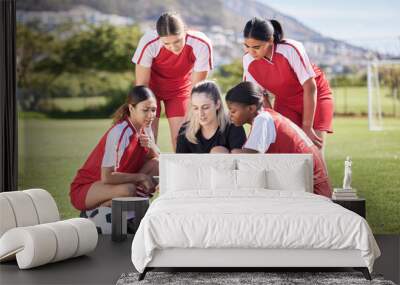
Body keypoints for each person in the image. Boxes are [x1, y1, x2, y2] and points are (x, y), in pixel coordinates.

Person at [241, 17, 334, 163]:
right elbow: (261, 98)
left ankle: (322, 186)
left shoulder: (290, 48)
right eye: (247, 46)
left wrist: (307, 127)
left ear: (271, 40)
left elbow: (310, 86)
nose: (251, 52)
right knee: (286, 151)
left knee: (314, 154)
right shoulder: (248, 60)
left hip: (315, 96)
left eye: (257, 47)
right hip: (285, 102)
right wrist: (270, 123)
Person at [225, 82, 332, 198]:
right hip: (308, 184)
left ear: (251, 108)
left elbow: (249, 159)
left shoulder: (263, 120)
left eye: (233, 111)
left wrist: (230, 154)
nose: (230, 115)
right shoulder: (267, 116)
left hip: (312, 189)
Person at [70, 86, 159, 213]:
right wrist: (141, 177)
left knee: (157, 165)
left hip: (118, 184)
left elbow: (156, 160)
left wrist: (151, 146)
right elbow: (107, 177)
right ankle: (93, 213)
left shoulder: (146, 125)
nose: (151, 115)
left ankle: (132, 214)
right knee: (128, 190)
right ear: (131, 108)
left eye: (154, 110)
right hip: (88, 188)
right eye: (145, 110)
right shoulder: (119, 132)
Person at [132, 12, 213, 150]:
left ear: (185, 32)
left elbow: (196, 88)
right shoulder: (149, 42)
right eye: (167, 43)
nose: (173, 47)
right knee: (147, 142)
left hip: (180, 91)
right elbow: (142, 86)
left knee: (182, 141)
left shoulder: (201, 44)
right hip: (150, 91)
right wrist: (143, 114)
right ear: (159, 38)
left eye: (177, 41)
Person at [176, 81, 246, 153]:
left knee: (218, 151)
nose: (201, 113)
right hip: (194, 164)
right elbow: (179, 162)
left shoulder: (233, 126)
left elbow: (240, 160)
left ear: (217, 104)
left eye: (205, 107)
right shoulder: (186, 130)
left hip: (225, 164)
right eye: (196, 108)